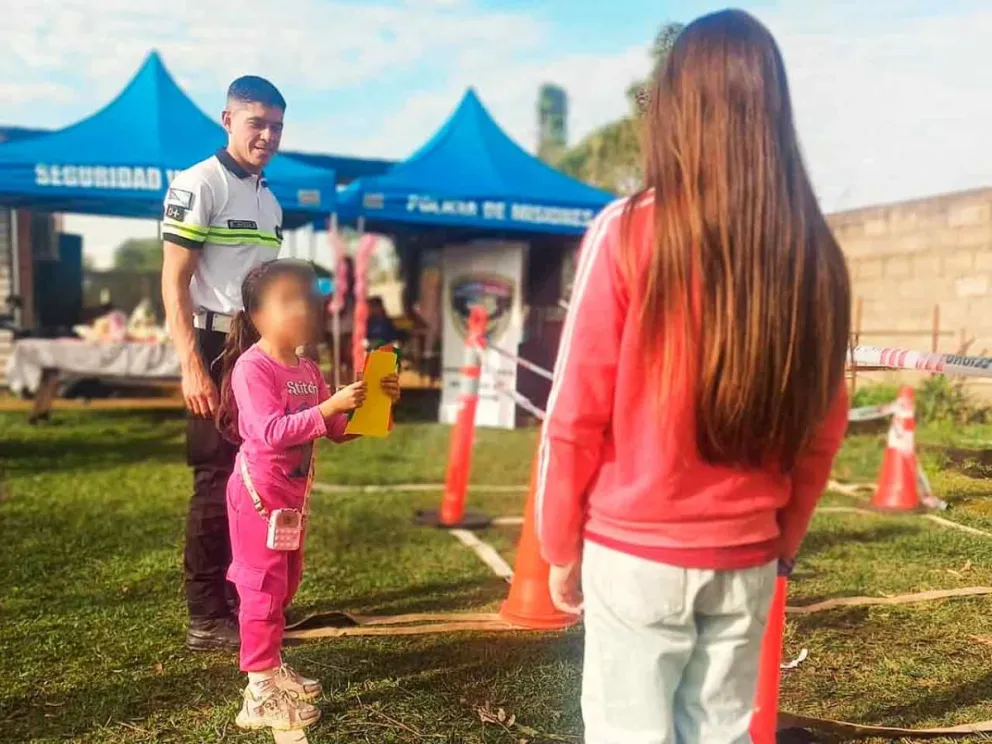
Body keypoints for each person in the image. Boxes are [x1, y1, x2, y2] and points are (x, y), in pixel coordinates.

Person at [536, 10, 851, 744]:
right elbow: (822, 429)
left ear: (676, 106)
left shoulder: (629, 229)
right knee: (722, 733)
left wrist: (558, 547)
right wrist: (784, 544)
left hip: (634, 552)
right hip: (748, 554)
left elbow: (574, 412)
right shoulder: (815, 254)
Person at [215, 260, 400, 731]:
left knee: (284, 588)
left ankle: (272, 666)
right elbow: (268, 432)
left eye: (307, 299)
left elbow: (335, 430)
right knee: (260, 591)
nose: (302, 309)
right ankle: (258, 693)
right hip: (258, 500)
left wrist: (375, 404)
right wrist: (327, 405)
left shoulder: (306, 369)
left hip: (291, 506)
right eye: (287, 300)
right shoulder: (251, 368)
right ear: (256, 313)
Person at [162, 75, 290, 650]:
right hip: (212, 345)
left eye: (276, 126)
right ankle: (205, 612)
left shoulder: (270, 198)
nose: (266, 135)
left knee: (256, 475)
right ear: (228, 119)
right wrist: (191, 363)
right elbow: (175, 280)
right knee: (215, 480)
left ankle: (243, 594)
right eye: (255, 122)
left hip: (256, 347)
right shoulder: (200, 183)